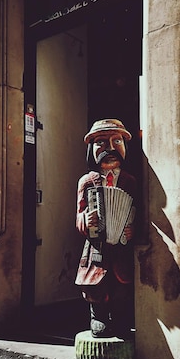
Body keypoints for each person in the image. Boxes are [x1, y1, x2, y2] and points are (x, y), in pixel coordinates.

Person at [75, 119, 136, 338]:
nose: (110, 148)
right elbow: (79, 215)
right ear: (91, 149)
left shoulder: (130, 182)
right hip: (96, 245)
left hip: (120, 246)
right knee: (96, 285)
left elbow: (139, 212)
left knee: (121, 284)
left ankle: (120, 318)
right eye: (101, 143)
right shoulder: (87, 182)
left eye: (116, 141)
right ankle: (98, 316)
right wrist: (85, 220)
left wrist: (133, 230)